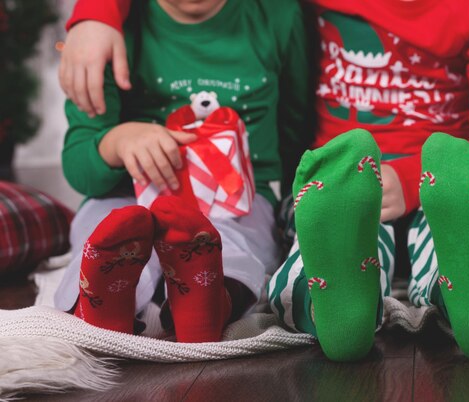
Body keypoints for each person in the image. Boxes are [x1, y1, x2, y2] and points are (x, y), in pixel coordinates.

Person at [58, 0, 469, 361]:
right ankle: (337, 308)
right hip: (343, 180)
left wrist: (412, 178)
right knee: (326, 232)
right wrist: (95, 14)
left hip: (444, 179)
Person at [54, 0, 313, 343]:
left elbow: (298, 124)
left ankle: (209, 303)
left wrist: (295, 211)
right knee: (106, 231)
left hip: (235, 200)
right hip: (124, 194)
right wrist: (118, 141)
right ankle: (100, 304)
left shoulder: (277, 13)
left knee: (233, 244)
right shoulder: (113, 26)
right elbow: (79, 167)